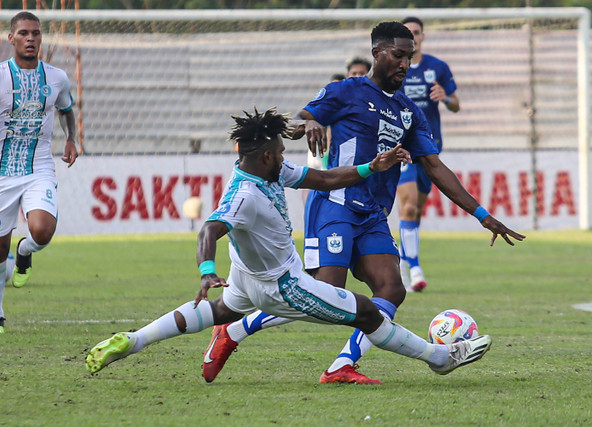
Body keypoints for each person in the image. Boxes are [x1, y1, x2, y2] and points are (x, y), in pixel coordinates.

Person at [200, 21, 524, 385]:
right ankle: (232, 332)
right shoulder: (347, 91)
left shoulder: (408, 111)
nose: (404, 64)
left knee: (392, 288)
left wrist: (482, 215)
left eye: (409, 56)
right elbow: (298, 121)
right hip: (335, 203)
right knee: (326, 292)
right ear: (377, 53)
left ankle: (342, 365)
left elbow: (434, 166)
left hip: (372, 215)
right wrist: (308, 123)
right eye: (398, 55)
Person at [85, 107, 493, 380]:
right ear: (265, 157)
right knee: (367, 311)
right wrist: (207, 271)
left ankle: (133, 341)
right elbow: (208, 230)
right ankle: (439, 358)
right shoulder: (243, 195)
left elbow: (326, 179)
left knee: (220, 311)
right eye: (280, 151)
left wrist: (374, 166)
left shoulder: (268, 171)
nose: (285, 156)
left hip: (246, 279)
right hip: (280, 285)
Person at [0, 11, 78, 333]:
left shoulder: (56, 78)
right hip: (1, 171)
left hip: (39, 166)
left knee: (42, 231)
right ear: (11, 38)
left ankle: (24, 251)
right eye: (23, 33)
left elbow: (67, 109)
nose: (31, 39)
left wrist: (72, 140)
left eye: (35, 33)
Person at [397, 16, 460, 292]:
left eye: (417, 32)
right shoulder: (395, 68)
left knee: (416, 210)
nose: (414, 37)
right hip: (402, 149)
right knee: (408, 206)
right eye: (408, 33)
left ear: (423, 36)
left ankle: (403, 259)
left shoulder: (438, 67)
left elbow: (457, 104)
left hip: (430, 148)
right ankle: (415, 268)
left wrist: (445, 97)